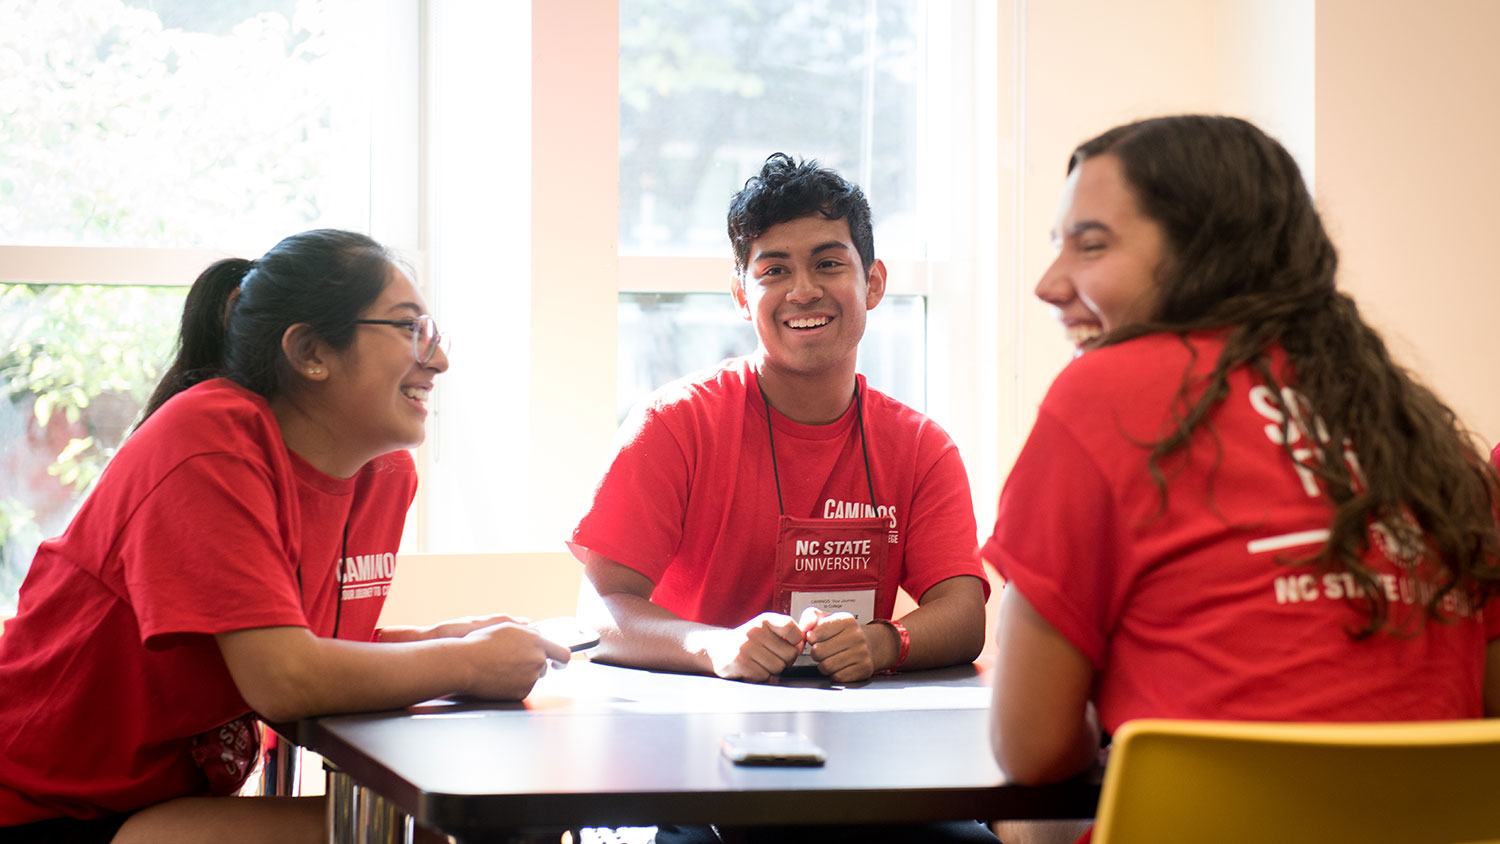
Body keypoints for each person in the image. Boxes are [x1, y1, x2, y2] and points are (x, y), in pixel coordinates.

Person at [985, 115, 1500, 804]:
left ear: (1203, 251)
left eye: (1091, 246)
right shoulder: (1427, 435)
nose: (1050, 284)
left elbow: (1031, 748)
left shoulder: (1104, 396)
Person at [0, 229, 570, 844]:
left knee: (453, 826)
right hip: (39, 808)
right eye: (410, 330)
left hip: (153, 804)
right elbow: (286, 680)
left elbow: (313, 647)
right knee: (416, 834)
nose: (438, 359)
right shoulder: (209, 440)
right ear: (310, 351)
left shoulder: (382, 474)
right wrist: (466, 663)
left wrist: (439, 639)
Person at [569, 154, 996, 843]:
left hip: (863, 770)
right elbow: (603, 610)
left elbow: (964, 610)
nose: (803, 290)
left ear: (873, 282)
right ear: (742, 294)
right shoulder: (673, 425)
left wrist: (884, 642)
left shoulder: (921, 446)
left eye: (829, 264)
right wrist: (715, 647)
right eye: (773, 270)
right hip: (691, 769)